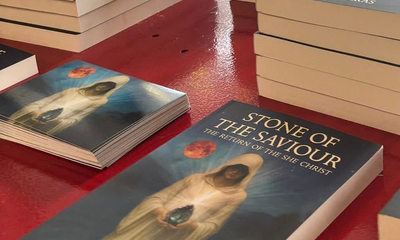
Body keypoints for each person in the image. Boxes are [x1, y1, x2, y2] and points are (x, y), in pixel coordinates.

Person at [102, 154, 264, 240]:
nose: (235, 171)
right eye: (236, 166)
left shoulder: (237, 196)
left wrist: (190, 225)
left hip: (174, 235)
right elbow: (158, 198)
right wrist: (160, 212)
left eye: (242, 171)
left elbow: (214, 225)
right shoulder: (196, 178)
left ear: (247, 176)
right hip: (150, 223)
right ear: (229, 165)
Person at [9, 76, 130, 135]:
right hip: (33, 114)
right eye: (104, 84)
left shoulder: (99, 101)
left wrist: (57, 121)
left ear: (109, 90)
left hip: (50, 123)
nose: (102, 87)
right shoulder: (73, 90)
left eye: (107, 87)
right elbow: (45, 101)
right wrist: (35, 111)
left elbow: (77, 118)